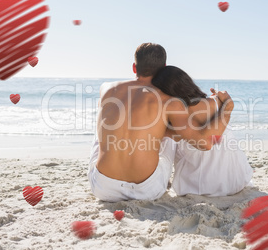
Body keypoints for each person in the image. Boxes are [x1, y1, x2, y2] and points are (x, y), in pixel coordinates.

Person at [88, 43, 234, 202]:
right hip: (147, 190)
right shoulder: (169, 101)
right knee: (168, 129)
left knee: (105, 124)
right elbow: (205, 144)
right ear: (164, 67)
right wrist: (227, 108)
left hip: (103, 188)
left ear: (134, 68)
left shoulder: (106, 88)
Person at [152, 66, 253, 197]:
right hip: (236, 180)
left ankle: (157, 180)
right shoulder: (217, 101)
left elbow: (205, 143)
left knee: (166, 138)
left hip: (201, 186)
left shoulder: (177, 114)